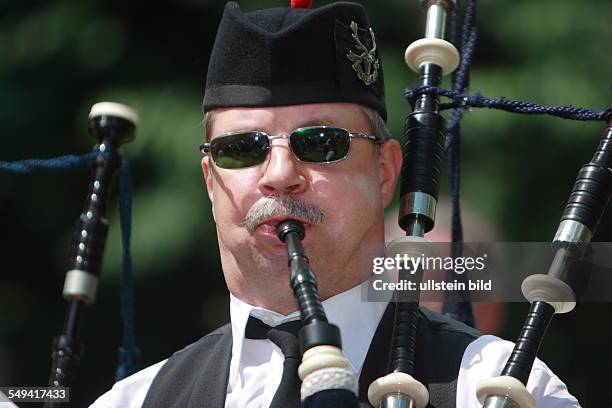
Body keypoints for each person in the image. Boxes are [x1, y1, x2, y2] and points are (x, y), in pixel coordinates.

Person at [91, 1, 580, 407]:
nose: (280, 174)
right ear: (210, 179)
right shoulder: (134, 400)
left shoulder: (502, 388)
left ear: (386, 171)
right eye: (241, 149)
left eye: (321, 143)